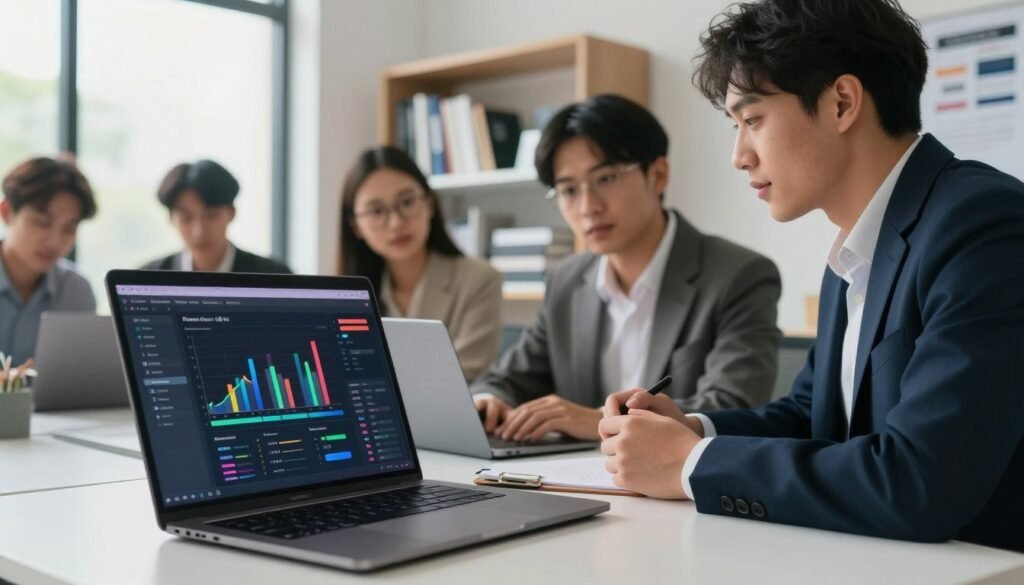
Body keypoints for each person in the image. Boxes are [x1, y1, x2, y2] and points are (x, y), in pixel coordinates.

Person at [600, 0, 1024, 552]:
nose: (739, 156)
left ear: (842, 102)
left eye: (752, 119)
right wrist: (694, 431)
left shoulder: (984, 225)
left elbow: (921, 481)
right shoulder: (855, 246)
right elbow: (815, 416)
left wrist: (689, 464)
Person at [472, 94, 782, 443]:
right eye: (569, 190)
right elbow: (507, 379)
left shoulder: (738, 275)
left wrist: (595, 422)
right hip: (573, 483)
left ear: (658, 174)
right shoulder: (566, 279)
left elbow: (732, 406)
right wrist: (490, 400)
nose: (588, 207)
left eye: (605, 179)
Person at [338, 146, 502, 382]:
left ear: (429, 204)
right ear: (355, 226)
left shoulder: (479, 279)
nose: (395, 223)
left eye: (406, 202)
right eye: (376, 211)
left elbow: (462, 378)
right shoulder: (346, 295)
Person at [0, 156, 98, 363]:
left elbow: (82, 378)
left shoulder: (76, 291)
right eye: (42, 222)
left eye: (69, 228)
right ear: (7, 212)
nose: (55, 241)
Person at [142, 160, 291, 274]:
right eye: (186, 218)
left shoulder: (274, 276)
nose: (199, 231)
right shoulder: (146, 278)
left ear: (232, 213)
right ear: (171, 219)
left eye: (211, 216)